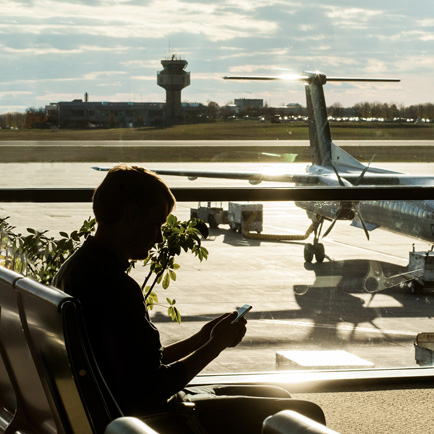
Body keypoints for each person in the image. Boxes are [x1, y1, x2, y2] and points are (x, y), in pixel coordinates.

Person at [53, 164, 325, 433]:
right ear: (133, 216)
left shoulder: (75, 271)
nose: (159, 237)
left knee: (276, 393)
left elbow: (137, 365)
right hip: (154, 419)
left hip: (120, 408)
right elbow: (153, 388)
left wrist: (202, 338)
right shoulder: (114, 288)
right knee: (306, 414)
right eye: (157, 224)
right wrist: (215, 346)